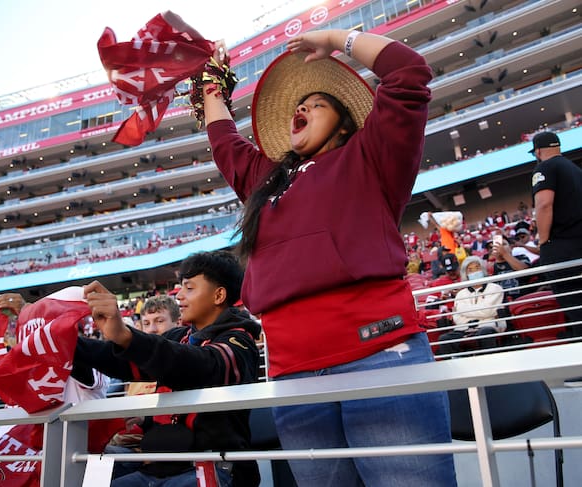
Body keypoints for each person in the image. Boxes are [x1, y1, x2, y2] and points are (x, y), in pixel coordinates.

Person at [201, 30, 456, 486]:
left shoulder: (371, 156)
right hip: (293, 375)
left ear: (344, 125)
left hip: (379, 355)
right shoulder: (266, 180)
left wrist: (338, 39)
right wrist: (211, 92)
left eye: (316, 104)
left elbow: (409, 72)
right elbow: (223, 141)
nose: (301, 108)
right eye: (299, 105)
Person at [75, 250, 262, 487]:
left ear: (219, 295)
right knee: (89, 473)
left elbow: (200, 365)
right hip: (156, 464)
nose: (179, 296)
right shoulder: (179, 336)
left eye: (189, 288)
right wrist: (67, 343)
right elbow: (127, 363)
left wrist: (127, 337)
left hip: (212, 467)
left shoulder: (240, 342)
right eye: (180, 287)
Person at [105, 295, 182, 479]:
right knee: (90, 459)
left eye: (160, 321)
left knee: (100, 460)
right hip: (130, 448)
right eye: (146, 323)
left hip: (155, 454)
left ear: (178, 322)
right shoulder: (136, 367)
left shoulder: (183, 363)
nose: (152, 329)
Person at [530, 131, 582, 387]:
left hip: (562, 249)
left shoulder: (546, 168)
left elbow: (544, 205)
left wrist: (543, 242)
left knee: (574, 309)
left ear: (538, 151)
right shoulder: (574, 169)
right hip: (578, 245)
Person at [437, 256, 506, 355]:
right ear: (466, 274)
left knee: (484, 333)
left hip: (488, 327)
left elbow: (489, 311)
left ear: (482, 269)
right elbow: (457, 318)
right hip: (463, 329)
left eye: (477, 268)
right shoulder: (461, 294)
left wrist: (464, 310)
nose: (474, 272)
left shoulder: (495, 288)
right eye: (470, 270)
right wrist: (480, 314)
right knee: (444, 339)